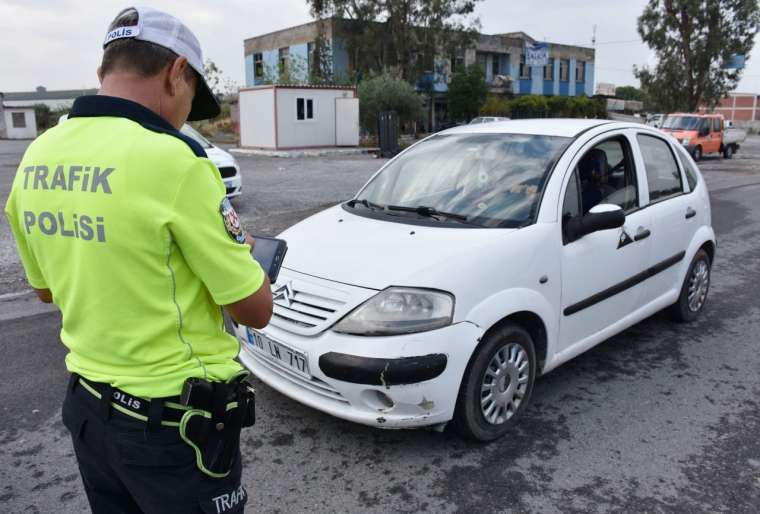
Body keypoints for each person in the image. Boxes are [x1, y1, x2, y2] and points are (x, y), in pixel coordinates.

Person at [3, 6, 272, 513]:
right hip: (174, 430)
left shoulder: (37, 155)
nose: (185, 113)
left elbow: (46, 290)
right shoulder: (177, 162)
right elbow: (254, 310)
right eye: (192, 96)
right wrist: (241, 252)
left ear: (105, 70)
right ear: (177, 73)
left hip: (88, 411)